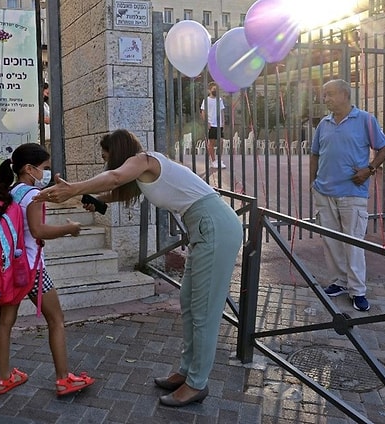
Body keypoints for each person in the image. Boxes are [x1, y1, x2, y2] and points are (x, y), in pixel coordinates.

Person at [36, 129, 243, 407]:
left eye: (106, 157)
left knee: (204, 311)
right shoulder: (143, 173)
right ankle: (186, 372)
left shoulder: (145, 160)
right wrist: (93, 199)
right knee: (190, 304)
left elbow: (115, 177)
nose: (106, 164)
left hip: (215, 227)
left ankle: (197, 383)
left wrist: (74, 187)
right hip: (204, 229)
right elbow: (118, 189)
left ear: (119, 152)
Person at [0, 143, 95, 396]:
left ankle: (3, 378)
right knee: (56, 320)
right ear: (29, 169)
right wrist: (70, 228)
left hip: (9, 267)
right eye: (44, 168)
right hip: (31, 269)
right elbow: (38, 230)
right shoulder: (32, 195)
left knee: (5, 323)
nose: (45, 173)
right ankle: (64, 378)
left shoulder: (9, 191)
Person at [310, 79, 385, 312]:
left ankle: (358, 290)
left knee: (353, 243)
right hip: (324, 192)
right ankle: (339, 282)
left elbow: (384, 148)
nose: (325, 99)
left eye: (330, 94)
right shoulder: (323, 124)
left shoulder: (365, 120)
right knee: (332, 242)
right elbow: (315, 154)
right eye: (324, 95)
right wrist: (312, 182)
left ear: (345, 95)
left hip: (352, 193)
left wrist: (370, 169)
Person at [200, 82, 226, 169]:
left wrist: (223, 122)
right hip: (211, 124)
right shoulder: (206, 100)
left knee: (221, 141)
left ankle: (219, 160)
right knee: (211, 142)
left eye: (216, 89)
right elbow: (203, 112)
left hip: (219, 124)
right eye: (214, 89)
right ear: (210, 90)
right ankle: (213, 160)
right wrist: (207, 122)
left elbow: (222, 111)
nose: (215, 91)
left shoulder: (220, 100)